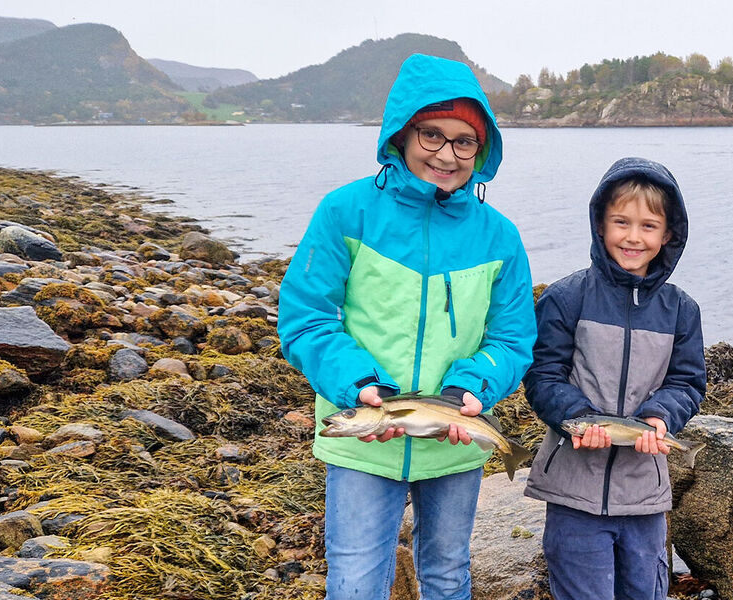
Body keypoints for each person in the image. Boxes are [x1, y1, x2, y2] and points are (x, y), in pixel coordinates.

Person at [278, 53, 536, 600]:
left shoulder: (500, 237)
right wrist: (360, 387)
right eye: (431, 135)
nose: (446, 154)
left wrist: (474, 387)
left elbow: (512, 338)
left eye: (463, 140)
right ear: (402, 134)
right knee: (354, 580)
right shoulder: (345, 212)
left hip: (456, 434)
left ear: (482, 148)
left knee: (447, 574)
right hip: (365, 431)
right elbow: (307, 317)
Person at [522, 157, 706, 599]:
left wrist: (661, 418)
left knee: (645, 591)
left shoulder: (682, 310)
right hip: (572, 492)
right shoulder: (566, 298)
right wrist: (577, 417)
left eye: (648, 226)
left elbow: (687, 383)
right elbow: (542, 375)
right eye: (621, 222)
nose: (633, 236)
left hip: (644, 493)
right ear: (600, 224)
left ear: (668, 235)